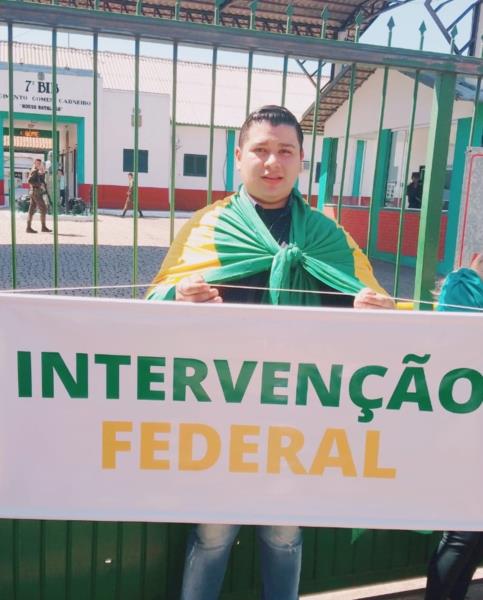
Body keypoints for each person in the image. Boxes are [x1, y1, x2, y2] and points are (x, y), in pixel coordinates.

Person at [148, 105, 394, 600]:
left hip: (298, 412)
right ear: (238, 157)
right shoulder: (205, 226)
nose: (272, 162)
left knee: (283, 531)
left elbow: (373, 310)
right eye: (260, 150)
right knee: (214, 531)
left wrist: (376, 308)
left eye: (285, 151)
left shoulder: (329, 235)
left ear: (303, 161)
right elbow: (153, 304)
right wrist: (180, 297)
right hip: (218, 408)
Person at [424, 252, 483, 600]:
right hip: (465, 426)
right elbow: (457, 347)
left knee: (474, 537)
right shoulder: (463, 285)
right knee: (462, 534)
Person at [26, 158, 51, 233]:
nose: (39, 165)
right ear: (34, 163)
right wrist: (39, 184)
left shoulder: (37, 171)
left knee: (31, 210)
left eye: (39, 163)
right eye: (37, 163)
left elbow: (40, 180)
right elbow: (29, 181)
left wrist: (42, 173)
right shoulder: (34, 171)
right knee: (43, 208)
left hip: (35, 192)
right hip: (36, 192)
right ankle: (43, 227)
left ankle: (28, 228)